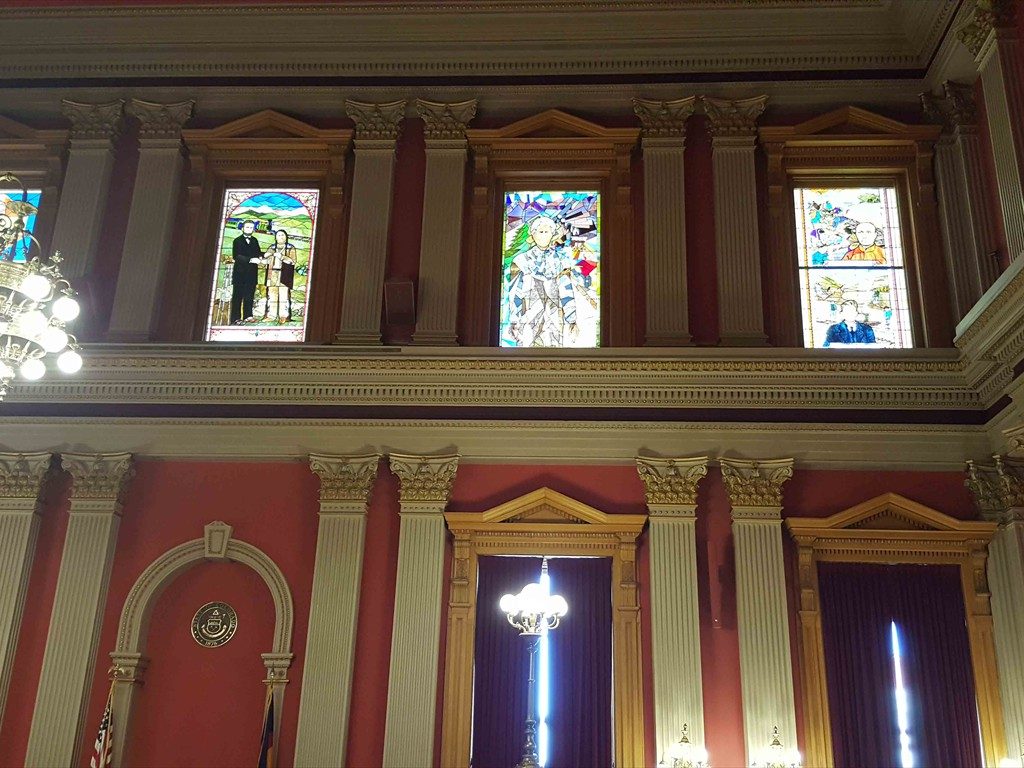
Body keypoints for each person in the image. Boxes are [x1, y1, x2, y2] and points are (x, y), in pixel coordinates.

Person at [505, 214, 595, 347]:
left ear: (552, 234)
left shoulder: (561, 261)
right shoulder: (521, 261)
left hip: (553, 317)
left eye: (547, 232)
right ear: (533, 235)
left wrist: (572, 320)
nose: (543, 235)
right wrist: (514, 320)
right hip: (528, 316)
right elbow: (515, 293)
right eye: (540, 232)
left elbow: (566, 292)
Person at [259, 229, 297, 322]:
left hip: (285, 274)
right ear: (275, 238)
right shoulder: (272, 247)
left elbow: (292, 261)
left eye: (283, 235)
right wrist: (261, 260)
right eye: (279, 235)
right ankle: (271, 315)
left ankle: (283, 316)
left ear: (286, 237)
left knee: (284, 295)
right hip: (272, 273)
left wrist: (282, 257)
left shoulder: (290, 247)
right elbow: (266, 259)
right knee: (271, 295)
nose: (281, 237)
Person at [229, 220, 263, 324]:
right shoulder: (237, 241)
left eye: (252, 228)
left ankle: (248, 316)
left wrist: (262, 257)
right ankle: (236, 318)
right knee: (237, 296)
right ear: (242, 228)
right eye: (247, 227)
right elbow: (237, 256)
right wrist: (251, 260)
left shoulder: (255, 240)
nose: (250, 229)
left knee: (249, 295)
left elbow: (258, 253)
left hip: (251, 274)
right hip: (240, 273)